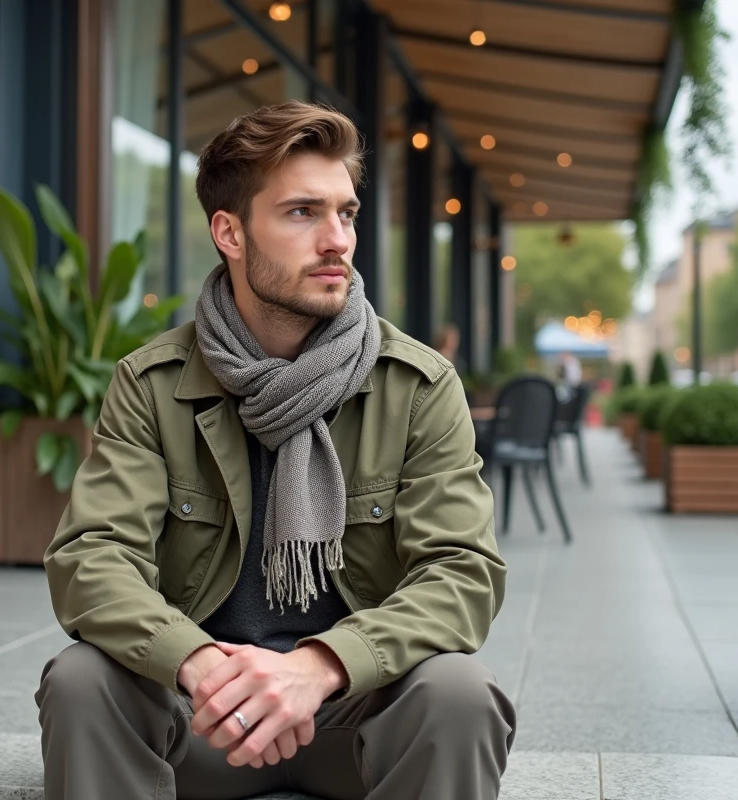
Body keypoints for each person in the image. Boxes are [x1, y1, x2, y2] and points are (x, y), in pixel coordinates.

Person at [36, 101, 514, 799]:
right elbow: (90, 558)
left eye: (345, 213)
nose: (337, 241)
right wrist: (195, 661)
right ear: (229, 232)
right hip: (206, 716)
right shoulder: (151, 383)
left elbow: (462, 572)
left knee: (459, 693)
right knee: (81, 680)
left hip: (354, 713)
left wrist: (318, 666)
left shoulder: (416, 384)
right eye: (302, 213)